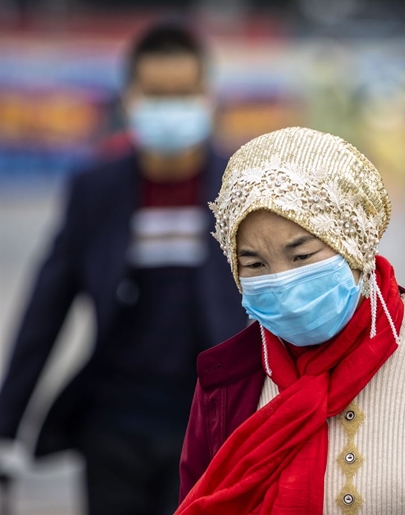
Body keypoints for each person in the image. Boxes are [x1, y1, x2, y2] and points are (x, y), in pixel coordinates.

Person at [175, 126, 405, 514]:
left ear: (353, 245)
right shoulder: (226, 387)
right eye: (255, 264)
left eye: (302, 256)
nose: (282, 279)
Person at [0, 21, 246, 515]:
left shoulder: (242, 186)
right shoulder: (96, 190)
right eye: (156, 94)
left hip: (210, 425)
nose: (171, 108)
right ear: (129, 99)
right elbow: (45, 309)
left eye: (183, 93)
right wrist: (6, 429)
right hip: (112, 428)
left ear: (208, 96)